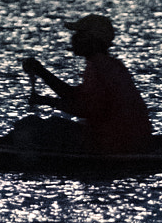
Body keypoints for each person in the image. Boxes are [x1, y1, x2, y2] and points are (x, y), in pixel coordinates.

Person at [20, 14, 155, 156]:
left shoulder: (101, 67)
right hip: (124, 139)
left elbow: (87, 109)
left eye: (80, 34)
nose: (74, 39)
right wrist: (41, 72)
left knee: (32, 126)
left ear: (93, 41)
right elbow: (76, 96)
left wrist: (47, 100)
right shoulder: (104, 64)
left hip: (116, 142)